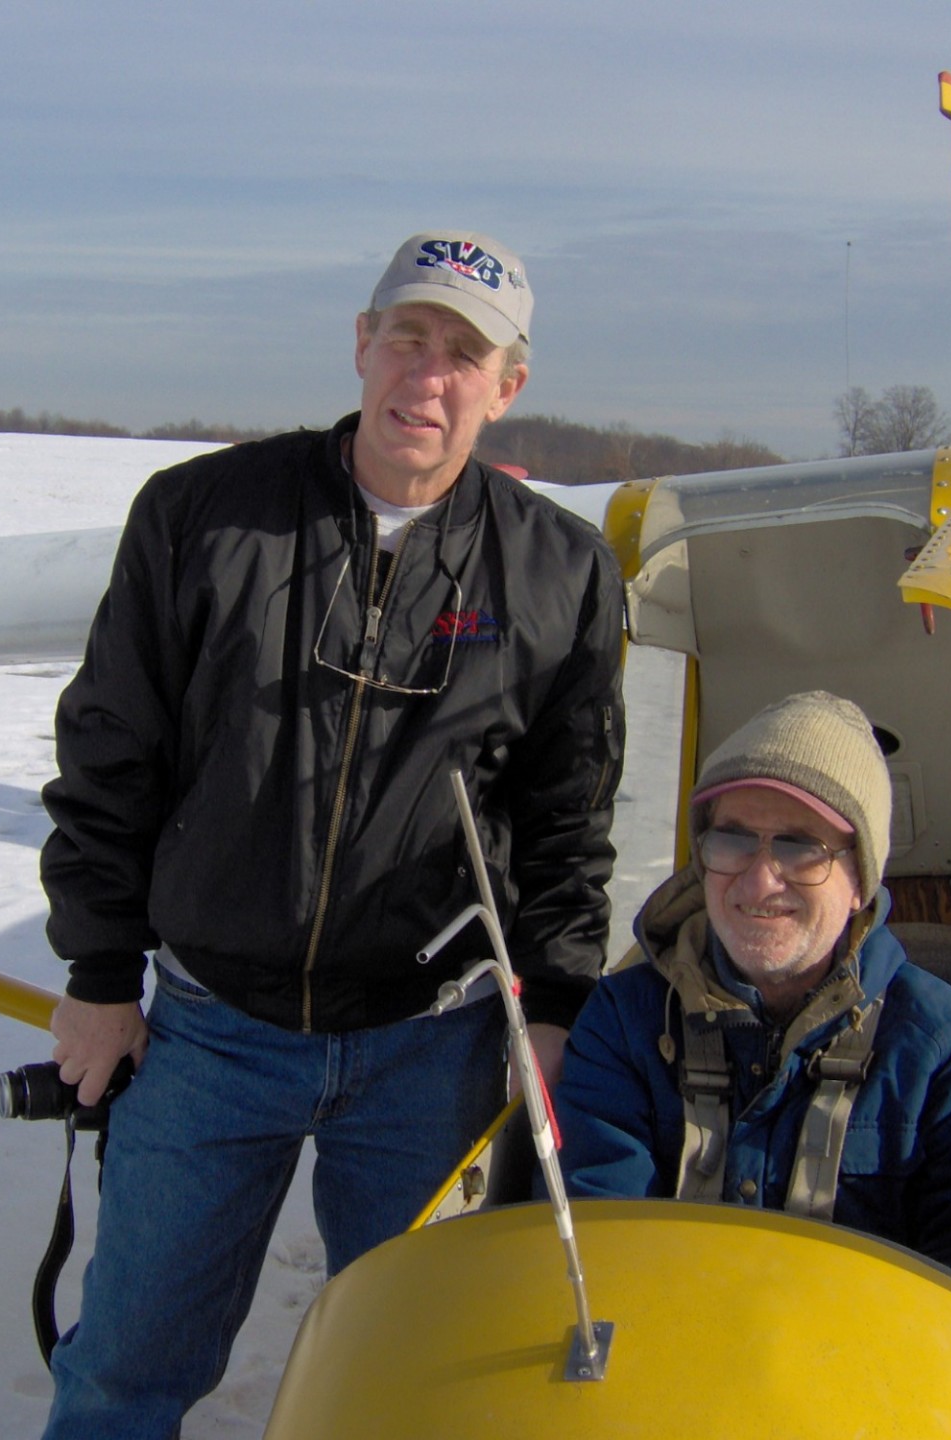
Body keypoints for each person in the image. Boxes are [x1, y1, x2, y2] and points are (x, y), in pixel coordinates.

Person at [37, 230, 626, 1437]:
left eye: (466, 352)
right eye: (408, 335)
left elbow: (568, 820)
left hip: (431, 1049)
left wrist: (554, 1009)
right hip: (211, 1032)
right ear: (361, 345)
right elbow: (110, 755)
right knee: (123, 1371)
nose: (430, 372)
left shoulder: (559, 573)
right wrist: (100, 975)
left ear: (508, 387)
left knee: (417, 1383)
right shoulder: (204, 516)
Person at [556, 690, 951, 1320]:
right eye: (732, 841)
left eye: (798, 847)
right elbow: (598, 1250)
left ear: (861, 877)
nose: (760, 881)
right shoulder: (623, 1025)